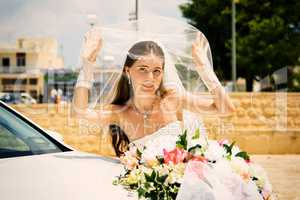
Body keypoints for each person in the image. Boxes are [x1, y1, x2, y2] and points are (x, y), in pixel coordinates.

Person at [72, 27, 236, 157]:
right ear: (128, 71)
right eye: (143, 69)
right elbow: (80, 112)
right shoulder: (120, 113)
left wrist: (204, 69)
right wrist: (87, 64)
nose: (150, 78)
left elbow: (226, 109)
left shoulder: (173, 98)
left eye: (157, 70)